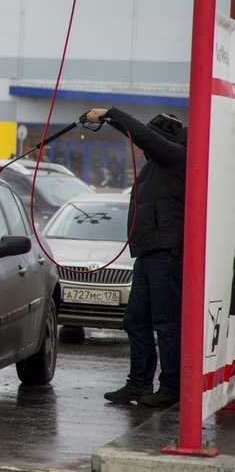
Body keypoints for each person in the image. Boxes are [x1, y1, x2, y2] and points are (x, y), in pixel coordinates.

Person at [85, 108, 186, 408]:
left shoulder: (176, 156)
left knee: (166, 324)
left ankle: (171, 387)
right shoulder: (157, 164)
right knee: (135, 320)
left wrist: (110, 114)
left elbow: (142, 135)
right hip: (148, 253)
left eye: (148, 143)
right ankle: (138, 384)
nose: (142, 149)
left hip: (167, 255)